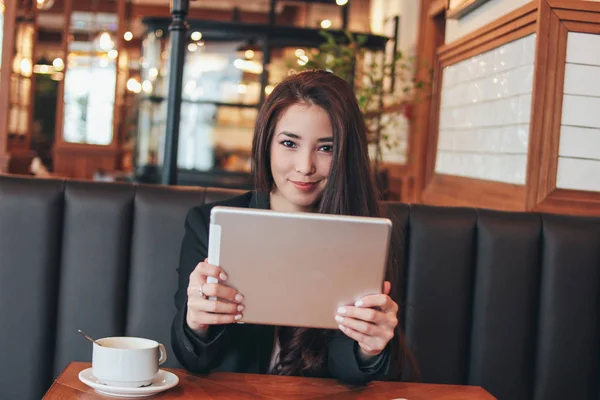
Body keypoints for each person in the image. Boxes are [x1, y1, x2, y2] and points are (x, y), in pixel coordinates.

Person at [171, 70, 417, 384]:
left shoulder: (366, 235)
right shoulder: (206, 224)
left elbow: (348, 368)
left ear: (346, 154)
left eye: (326, 148)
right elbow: (195, 359)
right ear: (266, 143)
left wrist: (369, 347)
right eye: (289, 143)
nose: (305, 166)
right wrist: (196, 323)